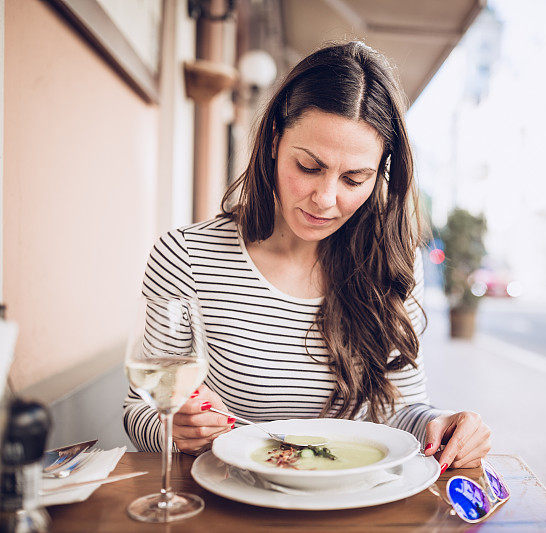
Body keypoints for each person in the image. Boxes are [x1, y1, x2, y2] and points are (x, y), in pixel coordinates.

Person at [123, 41, 491, 472]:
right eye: (309, 167)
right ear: (276, 141)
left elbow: (401, 411)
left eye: (354, 178)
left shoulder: (392, 264)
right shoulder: (185, 256)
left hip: (349, 503)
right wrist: (172, 429)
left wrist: (441, 426)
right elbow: (141, 412)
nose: (325, 199)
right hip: (233, 502)